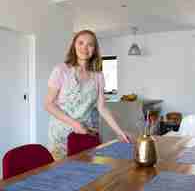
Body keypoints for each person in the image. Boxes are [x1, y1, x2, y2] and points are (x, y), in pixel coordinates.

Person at [45, 30, 131, 159]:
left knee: (87, 171)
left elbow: (102, 107)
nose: (85, 48)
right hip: (60, 136)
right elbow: (48, 104)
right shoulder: (61, 70)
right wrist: (74, 124)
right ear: (74, 45)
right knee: (62, 174)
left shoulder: (98, 75)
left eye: (90, 44)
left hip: (86, 134)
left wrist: (119, 131)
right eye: (81, 43)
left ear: (94, 49)